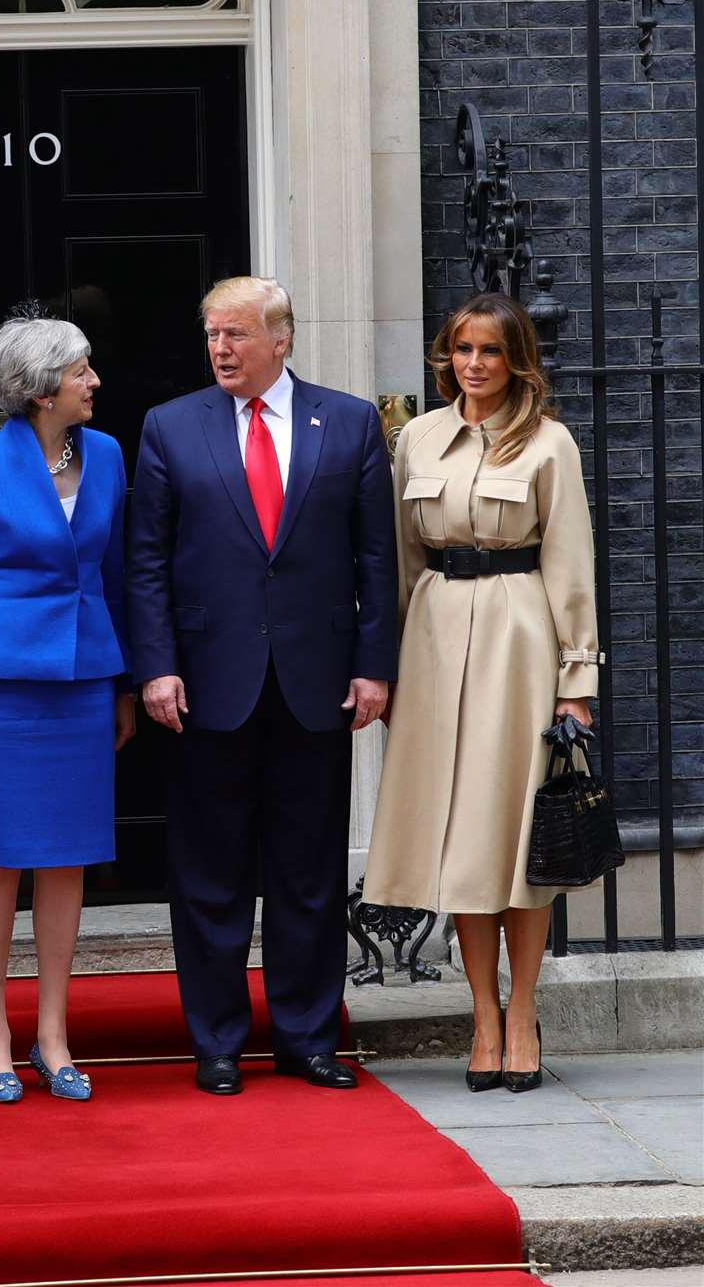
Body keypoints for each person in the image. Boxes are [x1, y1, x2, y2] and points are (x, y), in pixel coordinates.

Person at [127, 276, 398, 1095]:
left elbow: (377, 560)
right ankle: (215, 1042)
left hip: (315, 680)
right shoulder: (171, 426)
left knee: (308, 871)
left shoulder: (347, 422)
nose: (220, 349)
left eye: (237, 334)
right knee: (208, 872)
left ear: (282, 339)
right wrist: (156, 664)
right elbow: (145, 560)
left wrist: (374, 665)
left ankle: (307, 1037)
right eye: (212, 334)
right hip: (206, 685)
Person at [362, 292, 602, 1094]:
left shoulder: (550, 443)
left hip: (517, 636)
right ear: (446, 355)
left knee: (517, 832)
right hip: (432, 640)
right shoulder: (419, 438)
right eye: (463, 349)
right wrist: (387, 668)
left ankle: (525, 1010)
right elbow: (399, 562)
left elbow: (570, 568)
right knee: (464, 837)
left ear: (516, 360)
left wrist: (577, 684)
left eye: (491, 351)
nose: (474, 364)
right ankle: (484, 1016)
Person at [0, 313, 135, 1105]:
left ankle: (54, 1033)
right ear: (44, 386)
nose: (95, 382)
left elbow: (115, 575)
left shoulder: (110, 455)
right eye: (82, 371)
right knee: (1, 851)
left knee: (68, 852)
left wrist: (121, 681)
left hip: (84, 677)